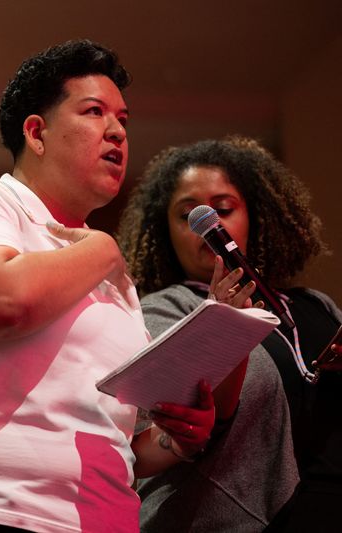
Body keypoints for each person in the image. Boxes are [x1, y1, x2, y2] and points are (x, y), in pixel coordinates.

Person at [0, 39, 215, 533]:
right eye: (94, 112)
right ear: (36, 132)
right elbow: (1, 300)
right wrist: (104, 249)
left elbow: (106, 440)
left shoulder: (115, 282)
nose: (117, 131)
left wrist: (172, 441)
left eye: (123, 118)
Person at [117, 135, 342, 532]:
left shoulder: (315, 306)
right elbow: (183, 423)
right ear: (163, 230)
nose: (212, 226)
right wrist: (223, 326)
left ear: (256, 215)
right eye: (191, 216)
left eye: (223, 209)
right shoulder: (159, 312)